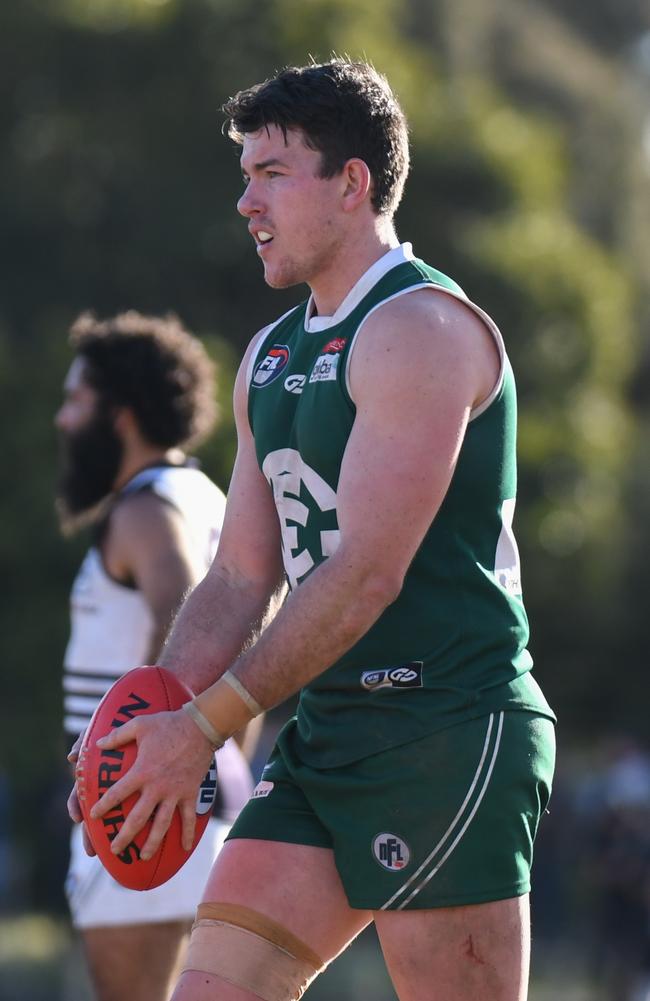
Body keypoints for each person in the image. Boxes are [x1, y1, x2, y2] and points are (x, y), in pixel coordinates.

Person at [70, 61, 557, 1001]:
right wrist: (146, 730)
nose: (246, 200)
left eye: (272, 174)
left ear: (353, 183)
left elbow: (366, 574)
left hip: (447, 727)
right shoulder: (271, 353)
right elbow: (238, 577)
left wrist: (201, 729)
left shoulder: (419, 326)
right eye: (244, 174)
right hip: (329, 733)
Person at [57, 311, 254, 1001]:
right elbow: (241, 628)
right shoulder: (209, 495)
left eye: (78, 399)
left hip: (136, 800)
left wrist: (143, 765)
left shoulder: (144, 509)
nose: (63, 418)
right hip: (200, 791)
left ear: (123, 415)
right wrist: (215, 753)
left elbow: (182, 602)